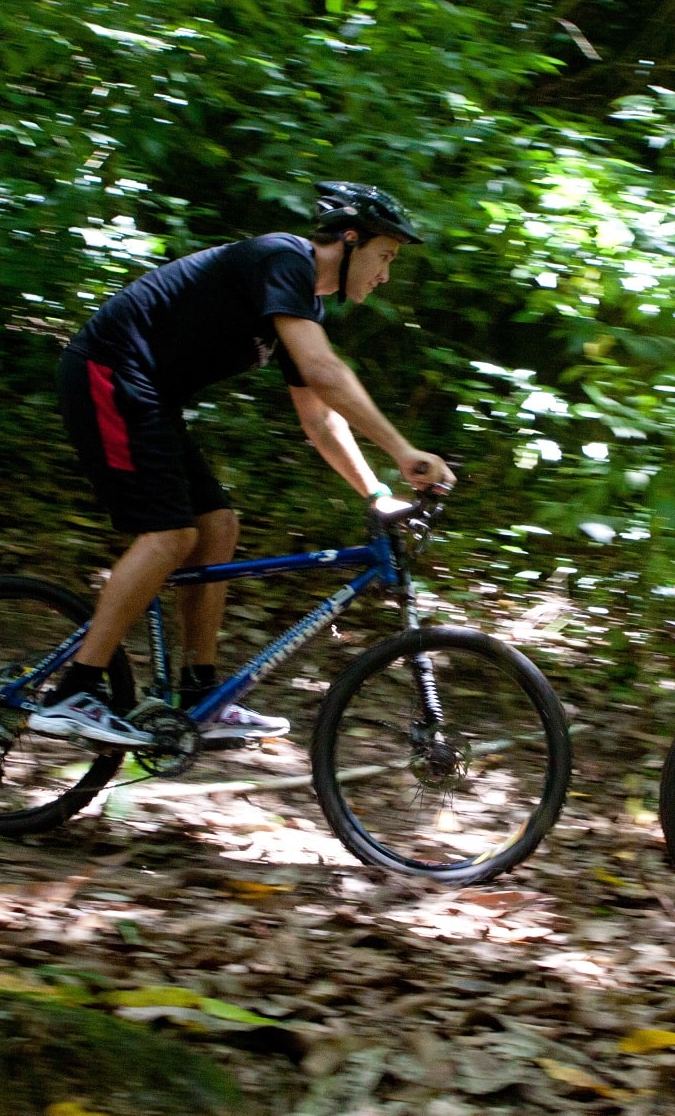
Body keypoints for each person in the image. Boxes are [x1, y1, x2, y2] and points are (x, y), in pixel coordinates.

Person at [29, 182, 456, 749]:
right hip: (108, 372)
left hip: (148, 394)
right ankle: (73, 693)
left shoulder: (299, 302)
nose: (385, 275)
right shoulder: (284, 259)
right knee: (170, 533)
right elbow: (326, 373)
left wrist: (375, 493)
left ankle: (199, 699)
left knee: (218, 525)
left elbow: (320, 420)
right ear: (349, 240)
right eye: (385, 256)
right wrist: (404, 452)